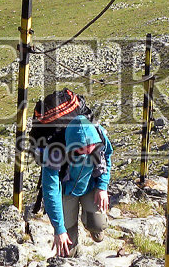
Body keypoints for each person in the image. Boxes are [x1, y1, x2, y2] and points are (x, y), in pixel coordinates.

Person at [30, 89, 113, 257]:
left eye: (91, 149)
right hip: (66, 190)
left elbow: (107, 157)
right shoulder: (55, 152)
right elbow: (50, 190)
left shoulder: (99, 135)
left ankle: (93, 227)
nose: (89, 153)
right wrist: (58, 229)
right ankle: (70, 262)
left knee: (98, 225)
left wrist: (102, 187)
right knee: (67, 239)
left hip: (90, 185)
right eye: (82, 150)